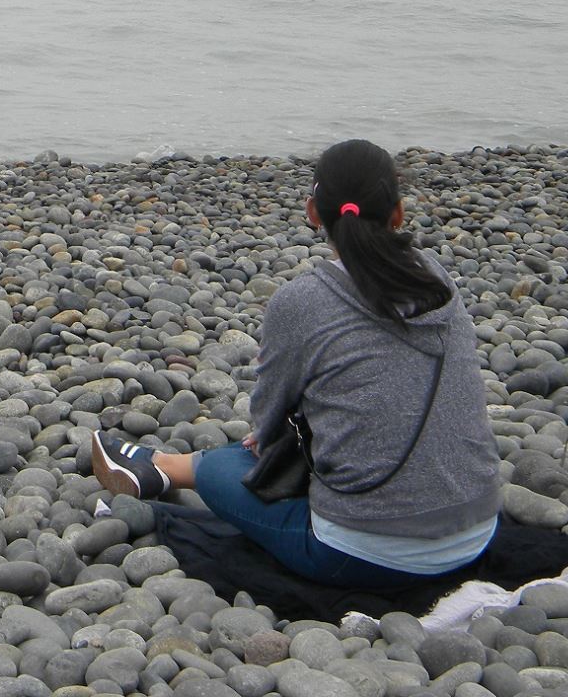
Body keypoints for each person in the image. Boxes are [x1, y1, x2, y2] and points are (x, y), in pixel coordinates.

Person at [91, 139, 501, 588]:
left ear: (312, 212)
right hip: (478, 529)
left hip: (359, 554)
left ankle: (165, 468)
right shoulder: (439, 281)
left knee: (228, 468)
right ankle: (160, 467)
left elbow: (266, 423)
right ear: (399, 213)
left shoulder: (303, 301)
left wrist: (267, 441)